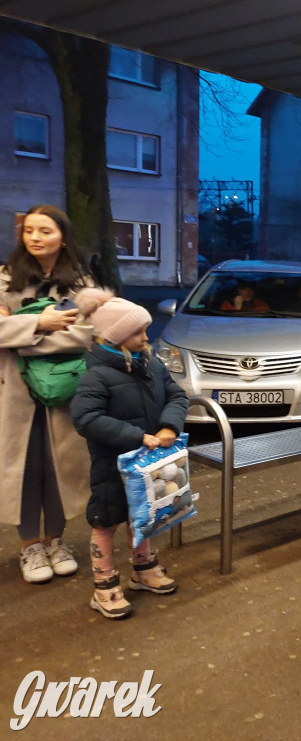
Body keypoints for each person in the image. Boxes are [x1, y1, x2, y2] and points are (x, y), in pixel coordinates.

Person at [70, 290, 188, 619]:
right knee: (106, 520)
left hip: (148, 463)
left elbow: (177, 396)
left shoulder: (151, 363)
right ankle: (104, 585)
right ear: (116, 336)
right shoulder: (96, 375)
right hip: (113, 465)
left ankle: (143, 568)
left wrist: (169, 427)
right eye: (137, 332)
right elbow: (85, 418)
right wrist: (139, 437)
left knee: (144, 515)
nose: (146, 336)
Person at [0, 205, 97, 584]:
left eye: (45, 230)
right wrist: (42, 323)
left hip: (64, 389)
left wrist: (18, 334)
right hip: (14, 394)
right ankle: (30, 547)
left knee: (61, 469)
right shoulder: (5, 279)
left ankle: (56, 541)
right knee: (25, 469)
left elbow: (84, 335)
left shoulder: (81, 284)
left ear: (63, 236)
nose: (35, 237)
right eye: (29, 231)